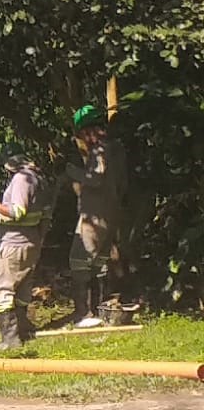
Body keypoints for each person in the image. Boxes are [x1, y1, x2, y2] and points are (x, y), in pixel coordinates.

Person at [0, 143, 48, 349]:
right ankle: (23, 331)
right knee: (22, 288)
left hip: (15, 243)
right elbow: (44, 215)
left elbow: (17, 212)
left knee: (1, 291)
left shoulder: (22, 179)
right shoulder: (37, 176)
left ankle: (10, 339)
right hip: (30, 242)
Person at [66, 104, 127, 328]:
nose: (84, 138)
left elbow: (96, 178)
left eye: (83, 133)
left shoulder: (100, 150)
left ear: (90, 129)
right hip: (110, 215)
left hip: (94, 217)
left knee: (79, 261)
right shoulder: (118, 150)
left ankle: (83, 313)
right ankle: (102, 310)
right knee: (99, 263)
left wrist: (73, 172)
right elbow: (122, 184)